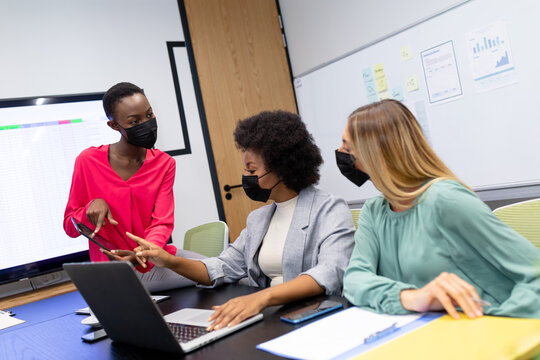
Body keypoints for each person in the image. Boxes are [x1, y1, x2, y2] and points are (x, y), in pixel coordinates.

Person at [129, 110, 356, 330]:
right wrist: (169, 261)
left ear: (283, 168)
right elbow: (223, 266)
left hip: (313, 317)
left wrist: (262, 298)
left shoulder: (329, 208)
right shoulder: (259, 219)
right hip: (272, 318)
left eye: (252, 170)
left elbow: (330, 271)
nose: (246, 177)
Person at [337, 99, 540, 319]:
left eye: (347, 148)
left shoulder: (445, 200)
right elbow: (355, 279)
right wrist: (413, 298)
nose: (340, 153)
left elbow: (535, 274)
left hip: (488, 329)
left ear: (374, 155)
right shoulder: (374, 211)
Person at [63, 82, 202, 292]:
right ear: (114, 126)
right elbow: (69, 225)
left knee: (223, 268)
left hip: (152, 258)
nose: (146, 124)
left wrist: (142, 254)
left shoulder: (164, 164)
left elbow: (161, 224)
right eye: (134, 121)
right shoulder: (88, 161)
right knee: (217, 273)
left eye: (149, 115)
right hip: (117, 272)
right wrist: (91, 206)